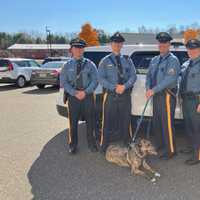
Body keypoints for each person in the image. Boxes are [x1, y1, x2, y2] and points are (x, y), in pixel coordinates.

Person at [98, 32, 137, 153]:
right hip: (110, 95)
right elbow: (101, 78)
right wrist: (115, 87)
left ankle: (127, 141)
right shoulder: (105, 61)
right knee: (107, 121)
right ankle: (104, 144)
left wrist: (125, 86)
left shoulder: (127, 60)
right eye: (115, 42)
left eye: (119, 43)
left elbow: (133, 76)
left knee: (126, 120)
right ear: (111, 44)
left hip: (125, 94)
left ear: (122, 45)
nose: (117, 45)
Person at [145, 32, 180, 160]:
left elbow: (169, 79)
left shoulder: (173, 60)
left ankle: (171, 150)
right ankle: (160, 145)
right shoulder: (154, 60)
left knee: (167, 123)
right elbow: (149, 76)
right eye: (160, 42)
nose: (162, 45)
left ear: (169, 44)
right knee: (157, 122)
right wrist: (148, 88)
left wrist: (153, 90)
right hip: (156, 95)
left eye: (165, 43)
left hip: (166, 95)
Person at [60, 38, 98, 154]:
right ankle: (73, 145)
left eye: (81, 48)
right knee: (73, 122)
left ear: (83, 50)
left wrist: (85, 92)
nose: (78, 50)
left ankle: (91, 144)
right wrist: (74, 92)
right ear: (71, 50)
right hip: (73, 97)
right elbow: (63, 81)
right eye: (76, 48)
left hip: (87, 96)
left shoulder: (90, 64)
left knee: (90, 121)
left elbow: (95, 80)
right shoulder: (67, 65)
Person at [180, 39, 200, 165]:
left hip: (196, 100)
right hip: (186, 100)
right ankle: (190, 147)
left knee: (196, 128)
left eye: (194, 49)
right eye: (189, 49)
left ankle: (197, 155)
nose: (191, 51)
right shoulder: (186, 64)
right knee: (188, 126)